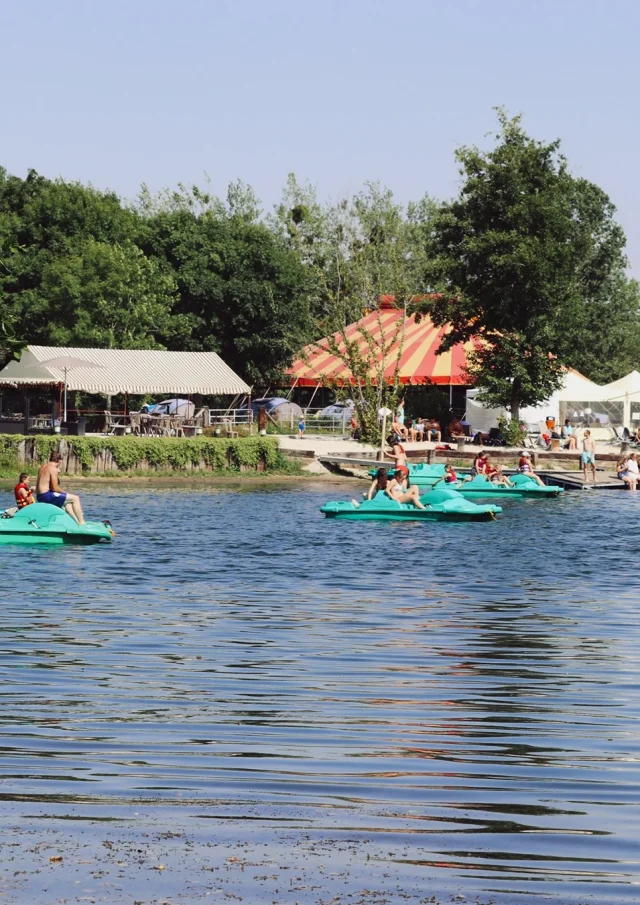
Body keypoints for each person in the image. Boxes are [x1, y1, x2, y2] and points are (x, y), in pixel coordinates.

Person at [36, 451, 85, 524]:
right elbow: (55, 488)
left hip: (39, 496)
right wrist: (64, 492)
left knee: (67, 502)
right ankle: (82, 523)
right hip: (46, 496)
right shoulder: (53, 469)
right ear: (58, 461)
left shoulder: (42, 467)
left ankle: (76, 522)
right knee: (75, 498)